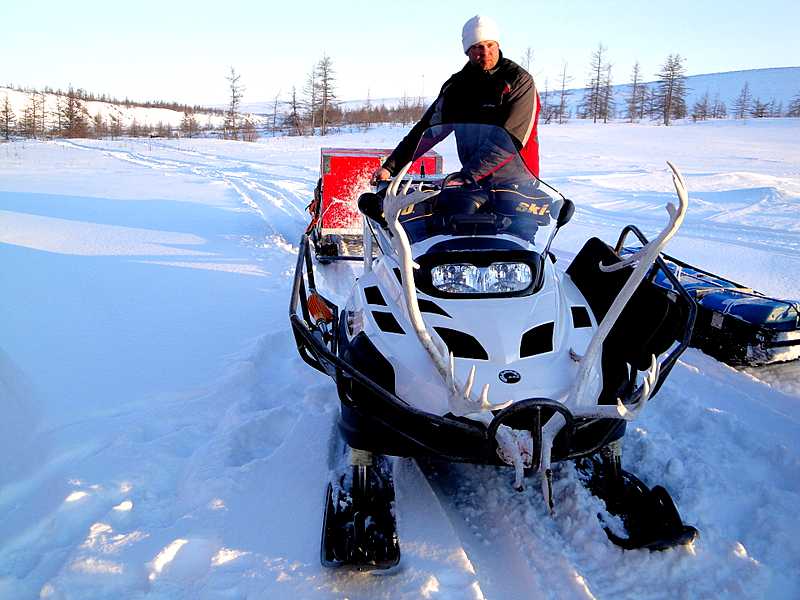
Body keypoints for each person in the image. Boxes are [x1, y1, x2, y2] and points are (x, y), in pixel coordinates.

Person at [372, 15, 541, 185]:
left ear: (498, 45)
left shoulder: (517, 81)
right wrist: (391, 167)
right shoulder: (457, 87)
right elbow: (427, 131)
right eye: (477, 47)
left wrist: (467, 176)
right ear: (467, 51)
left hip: (518, 184)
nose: (485, 52)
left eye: (490, 45)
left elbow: (510, 140)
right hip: (474, 183)